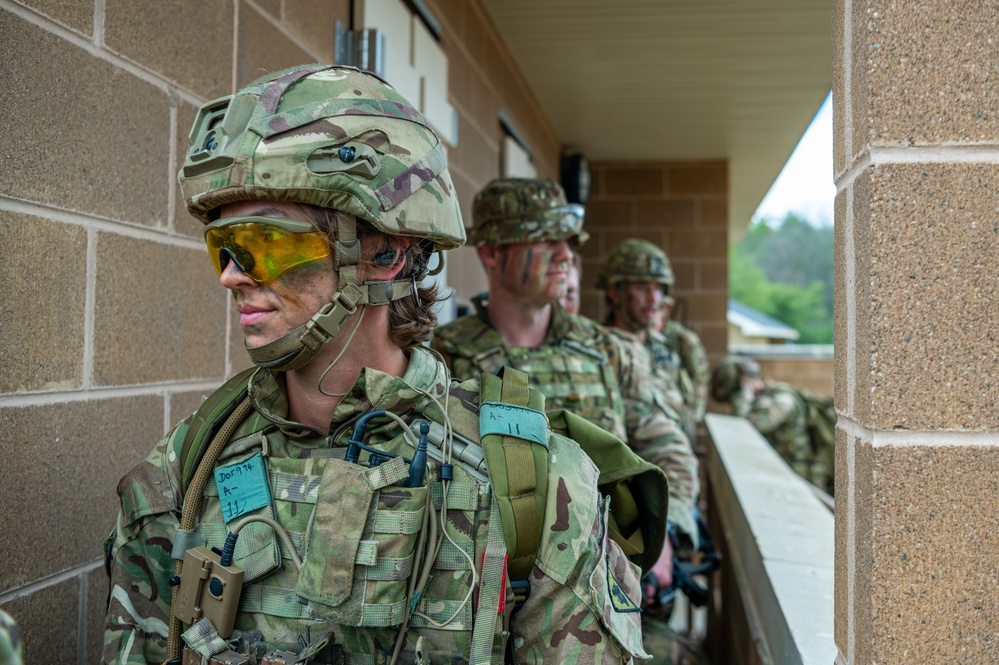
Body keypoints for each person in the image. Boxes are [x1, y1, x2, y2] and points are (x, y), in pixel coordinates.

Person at [102, 65, 650, 665]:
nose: (234, 275)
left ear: (385, 252)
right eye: (224, 248)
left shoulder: (532, 484)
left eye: (267, 243)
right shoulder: (184, 470)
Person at [431, 178, 701, 602]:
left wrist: (662, 531)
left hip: (603, 577)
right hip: (488, 584)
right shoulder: (444, 357)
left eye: (569, 241)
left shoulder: (609, 351)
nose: (566, 255)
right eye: (545, 240)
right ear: (492, 252)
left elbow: (666, 444)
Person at [710, 354, 834, 493]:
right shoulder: (761, 400)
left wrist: (745, 392)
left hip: (802, 480)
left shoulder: (782, 399)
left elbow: (744, 428)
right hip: (783, 478)